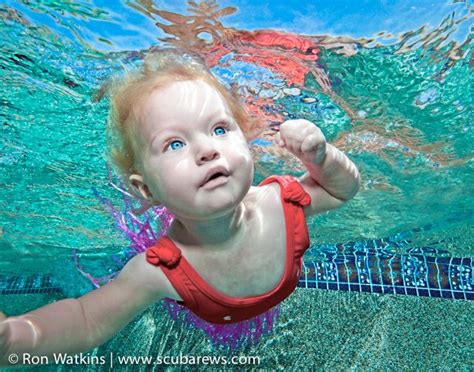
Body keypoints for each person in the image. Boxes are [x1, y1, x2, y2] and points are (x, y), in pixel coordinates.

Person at [0, 50, 360, 367]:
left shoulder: (280, 203)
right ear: (146, 190)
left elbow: (341, 190)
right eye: (174, 144)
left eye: (220, 129)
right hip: (206, 315)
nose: (206, 149)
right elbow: (86, 320)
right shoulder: (159, 271)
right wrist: (14, 339)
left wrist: (322, 158)